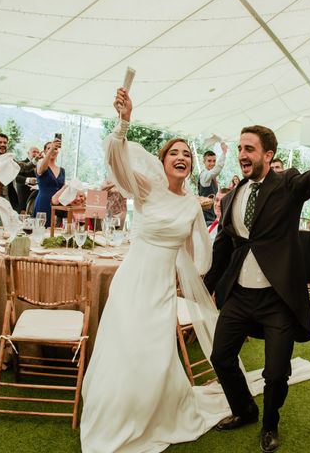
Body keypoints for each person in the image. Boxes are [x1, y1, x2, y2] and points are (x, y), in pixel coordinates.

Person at [204, 85, 310, 452]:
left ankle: (270, 424)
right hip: (239, 295)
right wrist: (206, 283)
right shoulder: (233, 194)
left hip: (277, 298)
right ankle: (244, 410)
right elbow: (226, 244)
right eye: (239, 148)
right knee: (221, 358)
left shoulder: (287, 184)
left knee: (276, 373)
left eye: (249, 149)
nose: (242, 154)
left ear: (267, 154)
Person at [80, 88, 231, 452]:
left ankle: (153, 412)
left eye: (186, 154)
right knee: (126, 346)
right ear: (162, 162)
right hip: (133, 281)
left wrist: (190, 280)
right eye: (173, 153)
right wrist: (123, 122)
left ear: (191, 166)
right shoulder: (145, 189)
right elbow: (117, 162)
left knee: (155, 350)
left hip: (163, 287)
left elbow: (200, 254)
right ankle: (116, 413)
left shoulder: (193, 207)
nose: (181, 157)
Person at [33, 139, 65, 219]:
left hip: (57, 205)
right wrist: (51, 150)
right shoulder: (40, 165)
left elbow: (63, 189)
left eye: (55, 149)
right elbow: (41, 170)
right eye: (49, 148)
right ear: (44, 152)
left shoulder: (62, 170)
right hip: (43, 202)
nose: (53, 151)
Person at [198, 143, 228, 226]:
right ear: (204, 162)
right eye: (209, 161)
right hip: (206, 217)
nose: (212, 163)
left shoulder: (211, 177)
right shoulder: (204, 175)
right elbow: (216, 170)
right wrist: (224, 152)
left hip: (212, 214)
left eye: (214, 161)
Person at [15, 145, 40, 214]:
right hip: (23, 198)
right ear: (28, 153)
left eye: (38, 152)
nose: (36, 154)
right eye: (34, 152)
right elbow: (16, 177)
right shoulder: (21, 163)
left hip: (36, 198)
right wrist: (28, 179)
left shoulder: (40, 166)